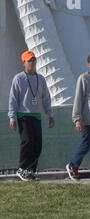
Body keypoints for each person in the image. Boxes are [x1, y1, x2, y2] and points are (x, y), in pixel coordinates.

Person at [8, 50, 55, 181]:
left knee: (37, 144)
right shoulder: (18, 78)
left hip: (37, 115)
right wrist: (12, 117)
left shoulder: (41, 78)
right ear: (24, 63)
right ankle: (22, 168)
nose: (32, 63)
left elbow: (46, 97)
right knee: (27, 141)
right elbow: (13, 99)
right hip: (23, 115)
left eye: (34, 60)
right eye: (29, 60)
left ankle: (31, 170)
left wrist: (50, 114)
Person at [66, 53, 90, 181]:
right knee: (85, 146)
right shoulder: (83, 78)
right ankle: (73, 166)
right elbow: (78, 99)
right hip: (87, 121)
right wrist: (77, 119)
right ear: (88, 64)